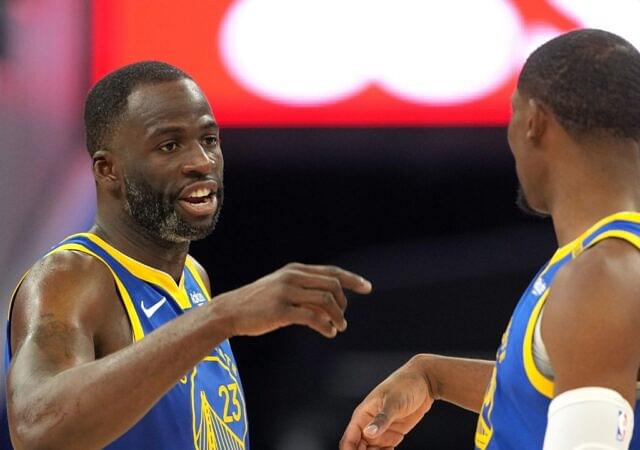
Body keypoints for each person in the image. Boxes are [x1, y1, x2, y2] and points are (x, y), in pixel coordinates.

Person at [4, 61, 372, 449]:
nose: (202, 162)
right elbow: (35, 430)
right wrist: (220, 318)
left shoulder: (194, 278)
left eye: (209, 140)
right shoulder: (72, 277)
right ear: (109, 169)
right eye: (169, 145)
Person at [340, 28, 640, 450]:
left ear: (534, 122)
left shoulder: (603, 275)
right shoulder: (608, 263)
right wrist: (434, 376)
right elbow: (562, 386)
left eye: (512, 115)